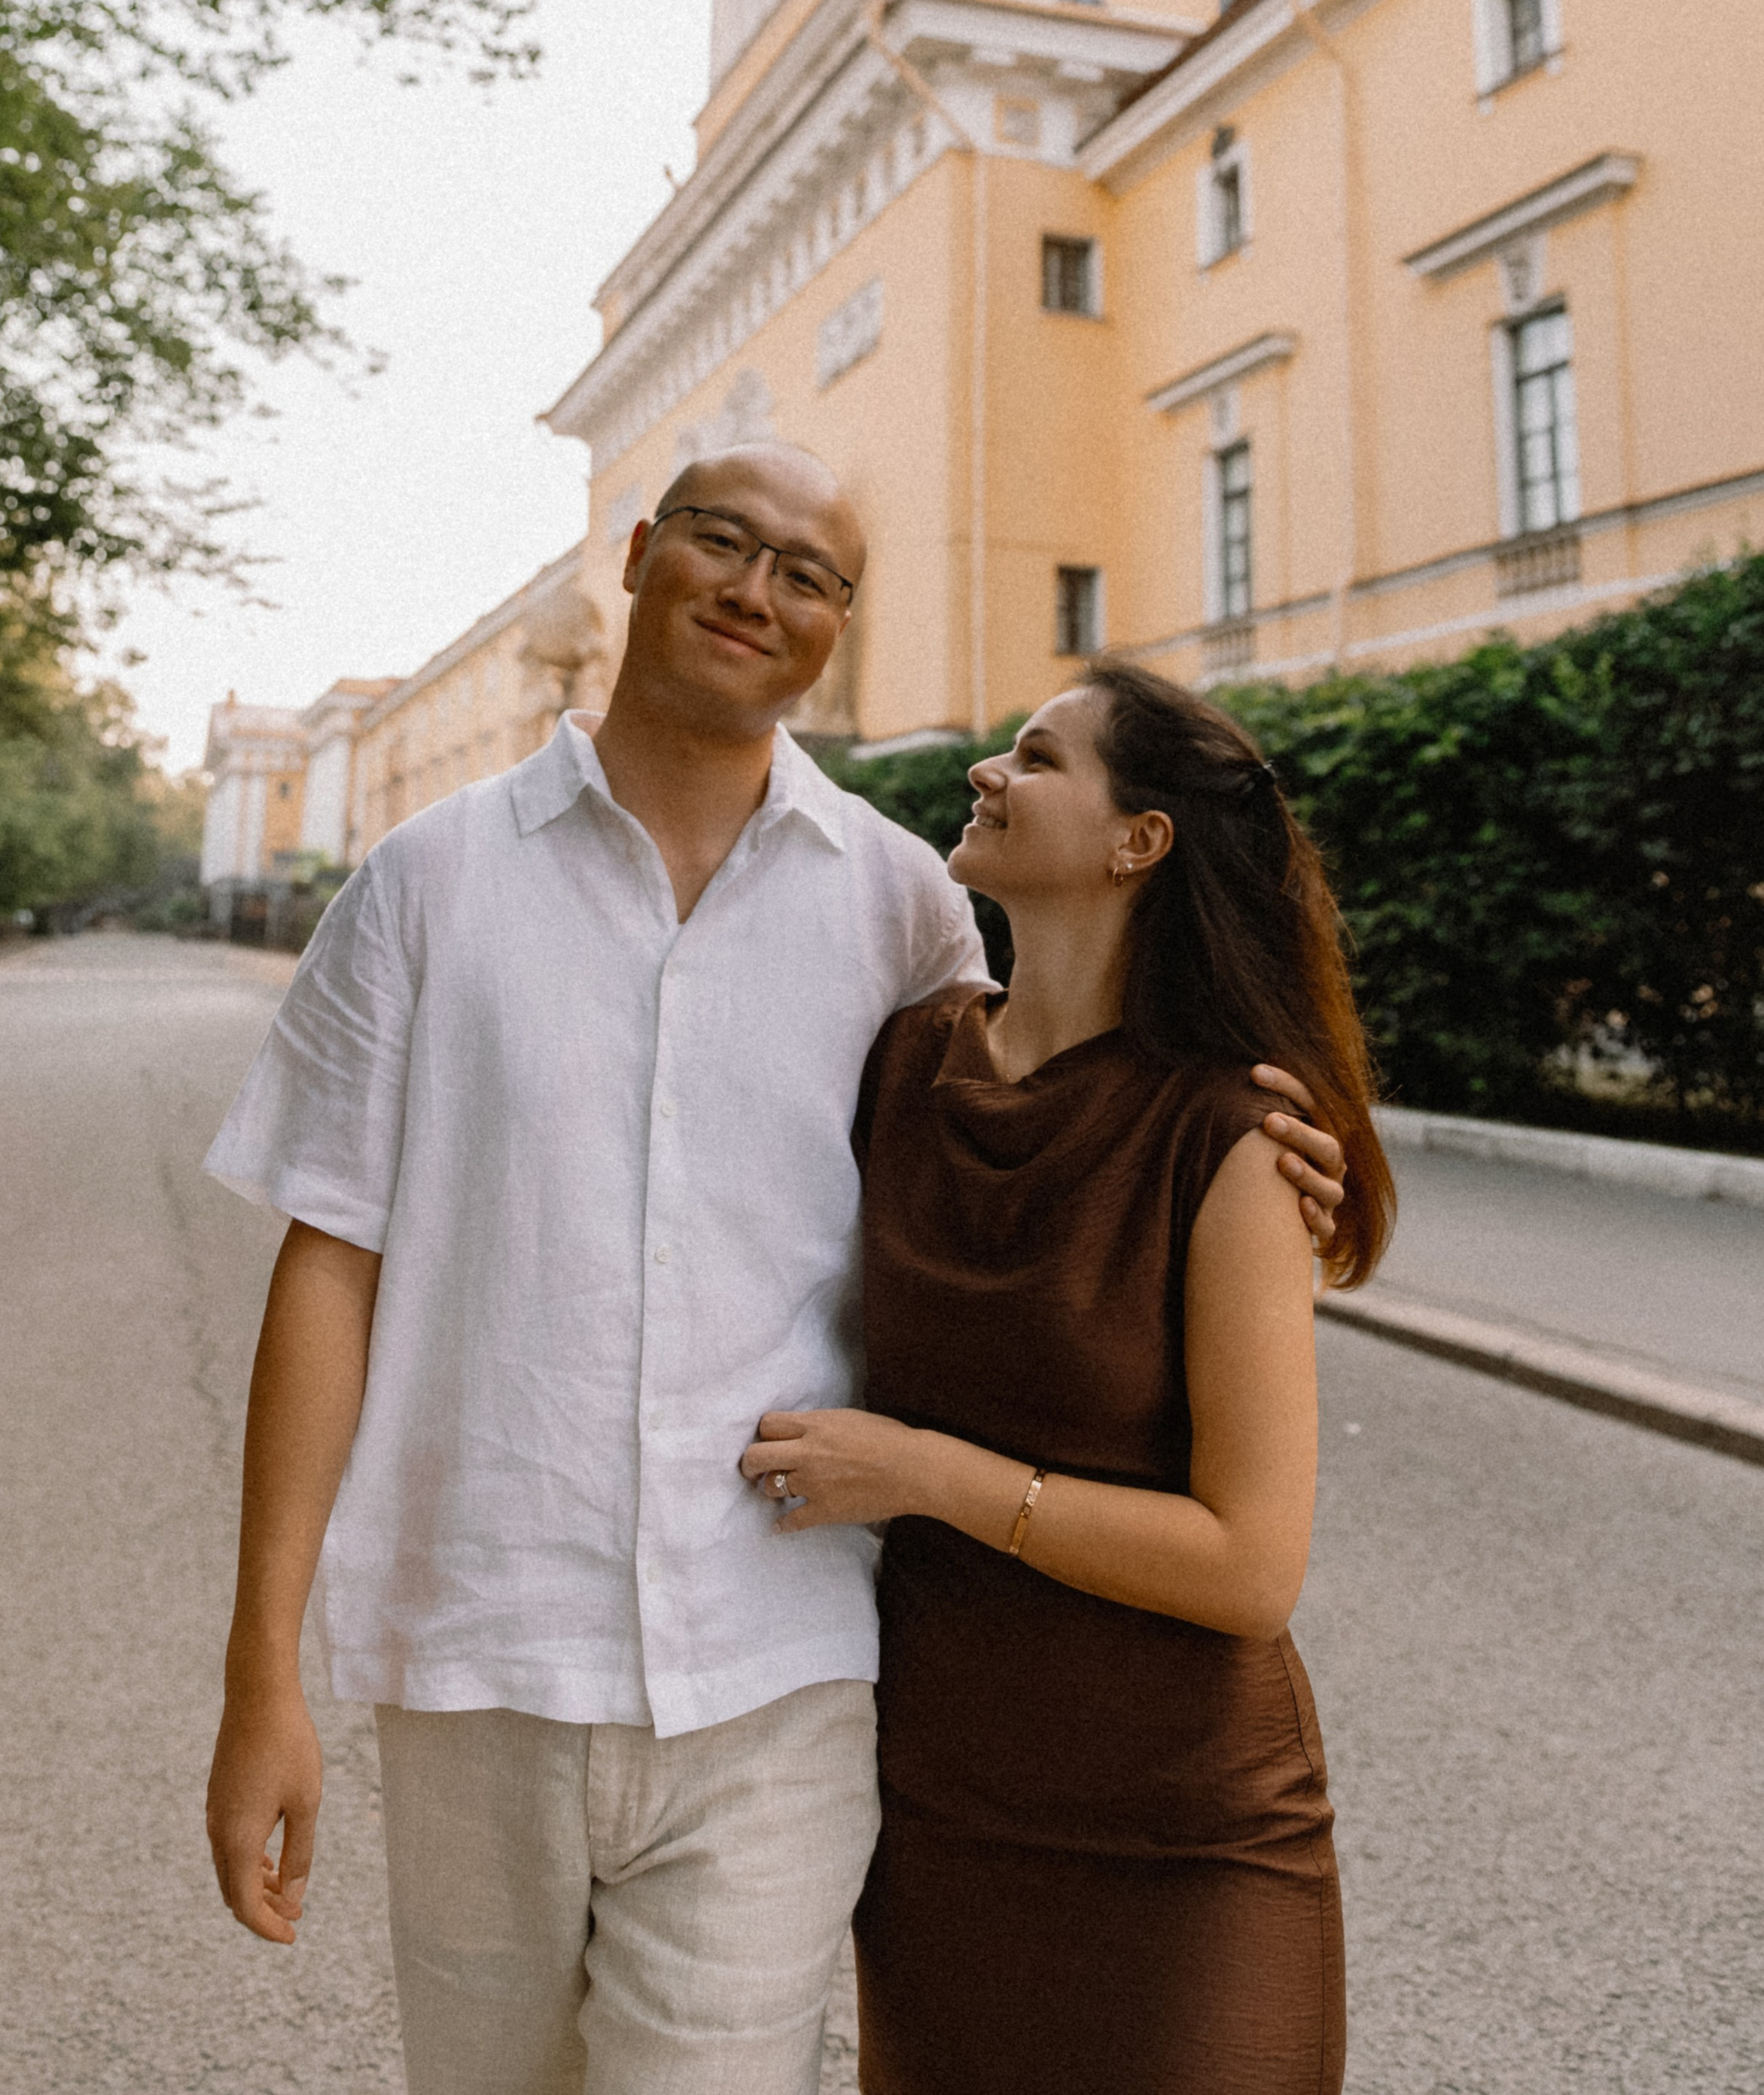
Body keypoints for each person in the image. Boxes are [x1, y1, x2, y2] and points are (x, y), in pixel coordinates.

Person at [202, 446, 1349, 2095]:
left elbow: (1062, 1121)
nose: (757, 590)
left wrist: (1276, 1156)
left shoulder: (897, 905)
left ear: (836, 626)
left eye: (808, 574)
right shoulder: (425, 884)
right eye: (724, 543)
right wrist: (261, 1671)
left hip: (782, 1662)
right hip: (484, 1647)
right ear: (638, 555)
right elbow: (330, 1268)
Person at [743, 659, 1394, 2095]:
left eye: (1038, 757)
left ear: (1137, 839)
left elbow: (1252, 1566)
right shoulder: (900, 1065)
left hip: (1189, 1839)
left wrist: (924, 1473)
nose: (987, 769)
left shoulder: (1232, 1134)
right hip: (944, 1818)